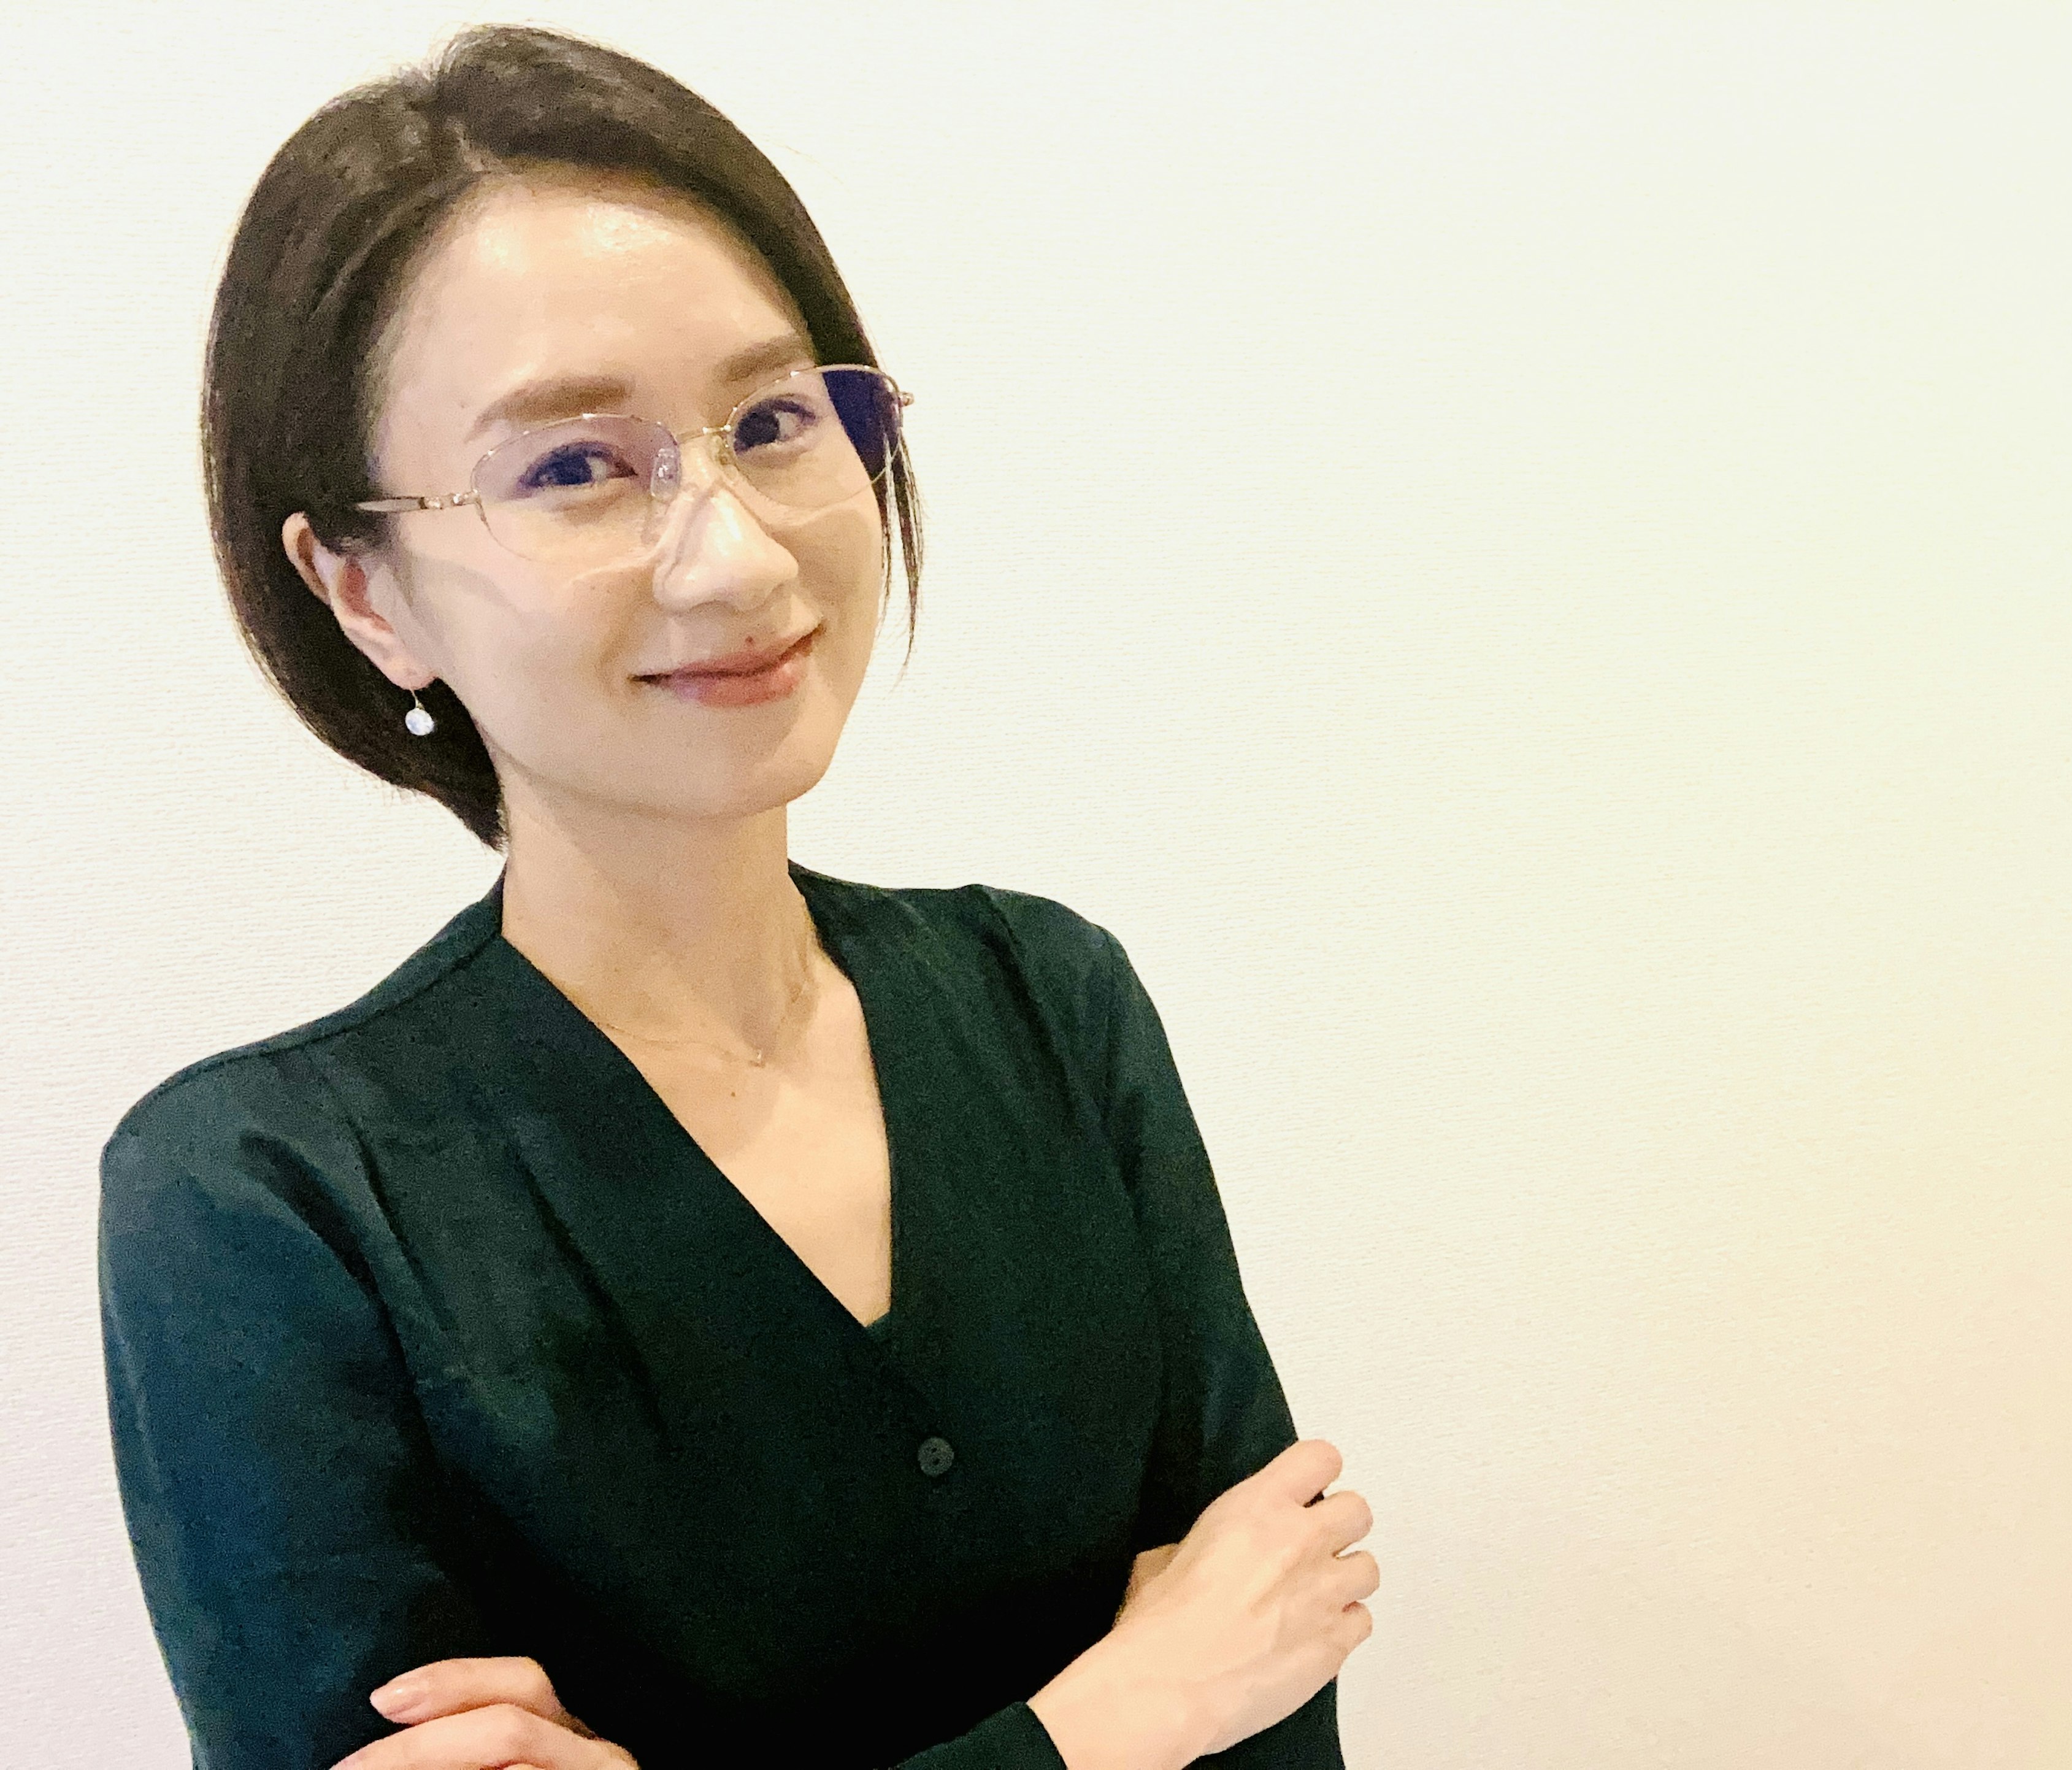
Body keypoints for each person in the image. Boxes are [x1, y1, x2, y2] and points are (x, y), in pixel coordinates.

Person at [94, 25, 1375, 1770]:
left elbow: (1278, 1690)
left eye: (774, 422)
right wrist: (1115, 1715)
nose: (740, 553)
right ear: (366, 591)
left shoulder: (1049, 1005)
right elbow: (1210, 1685)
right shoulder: (265, 1207)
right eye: (571, 469)